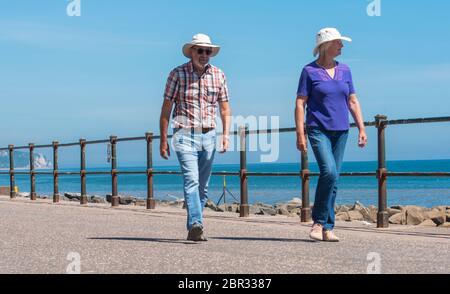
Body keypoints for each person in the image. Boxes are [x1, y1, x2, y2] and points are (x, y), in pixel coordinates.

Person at [295, 28, 368, 242]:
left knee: (334, 178)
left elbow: (353, 100)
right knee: (328, 171)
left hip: (341, 130)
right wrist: (300, 132)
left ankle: (328, 227)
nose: (342, 46)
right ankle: (318, 222)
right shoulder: (309, 71)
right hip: (318, 128)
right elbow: (300, 103)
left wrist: (361, 128)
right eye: (338, 42)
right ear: (327, 45)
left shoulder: (345, 70)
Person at [159, 33, 232, 242]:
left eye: (207, 51)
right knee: (191, 180)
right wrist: (163, 140)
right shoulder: (177, 74)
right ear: (191, 51)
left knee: (202, 185)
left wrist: (225, 135)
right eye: (199, 50)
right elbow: (166, 109)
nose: (204, 54)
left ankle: (194, 225)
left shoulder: (219, 75)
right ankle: (196, 224)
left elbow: (225, 109)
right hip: (184, 134)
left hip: (209, 135)